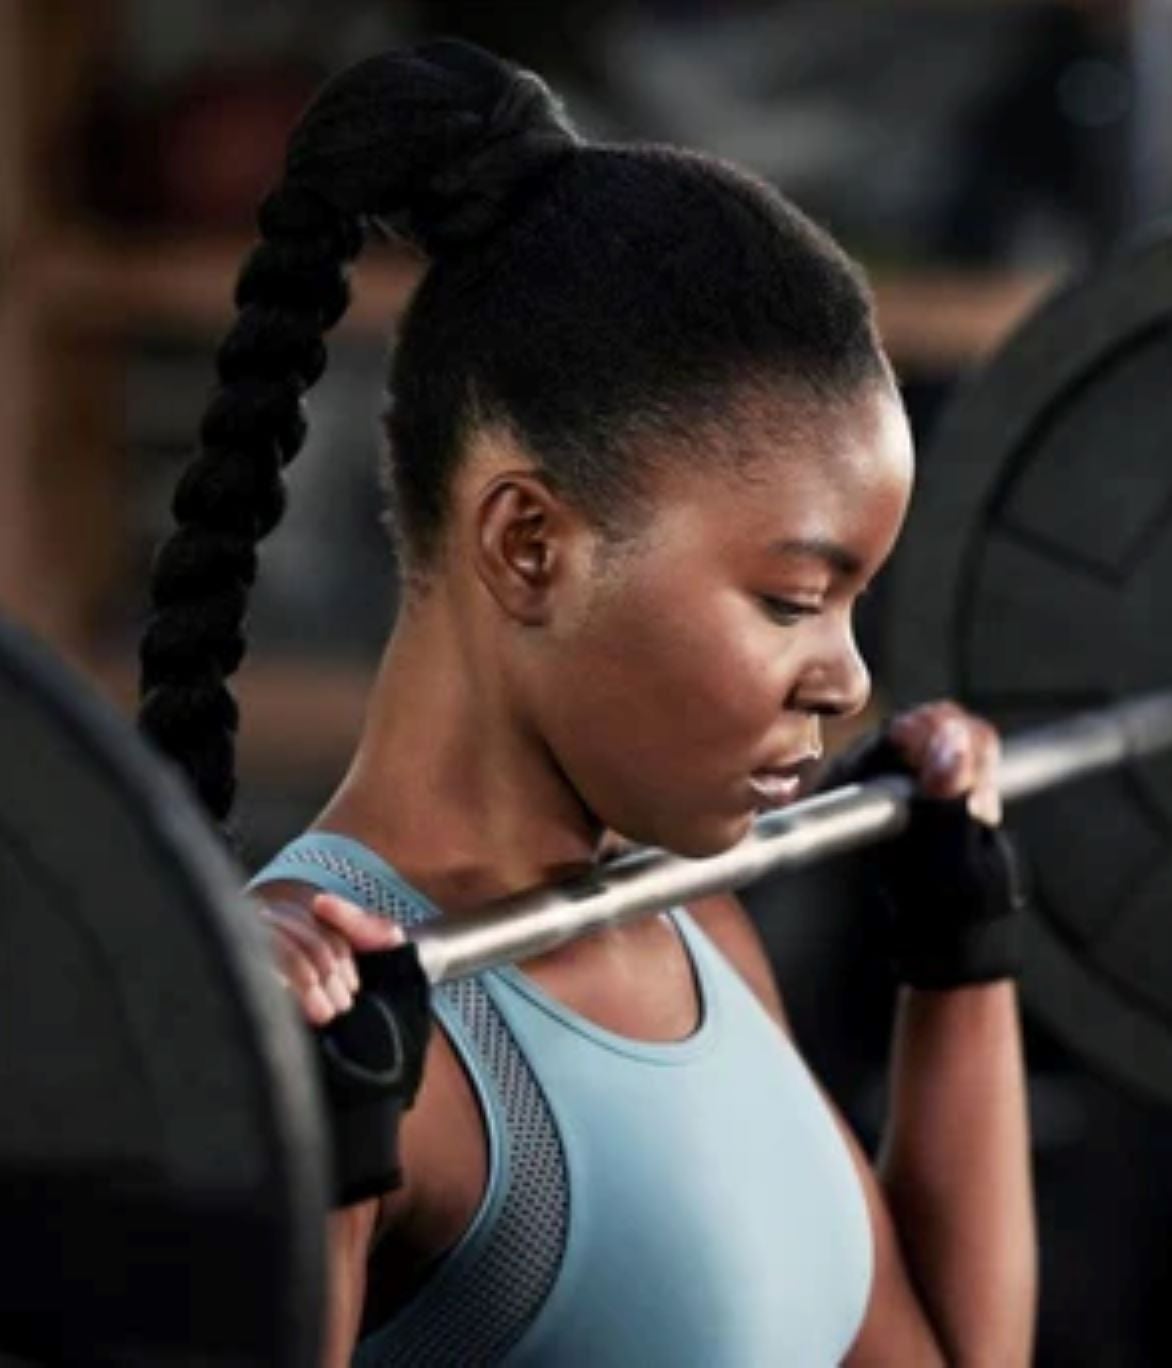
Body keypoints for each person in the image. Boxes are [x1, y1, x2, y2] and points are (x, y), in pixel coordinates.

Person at [136, 38, 1036, 1366]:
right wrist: (307, 1147)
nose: (848, 677)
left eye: (852, 606)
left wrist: (960, 958)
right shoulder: (343, 1028)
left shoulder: (699, 930)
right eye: (793, 601)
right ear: (530, 547)